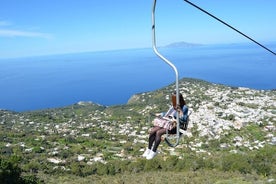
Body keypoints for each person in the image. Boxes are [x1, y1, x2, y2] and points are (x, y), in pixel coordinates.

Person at [142, 92, 188, 160]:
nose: (173, 101)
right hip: (168, 123)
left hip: (176, 127)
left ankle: (153, 151)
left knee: (159, 132)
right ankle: (149, 149)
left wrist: (180, 111)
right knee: (153, 130)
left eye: (174, 99)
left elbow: (184, 119)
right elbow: (167, 114)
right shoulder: (173, 107)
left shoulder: (184, 107)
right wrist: (161, 114)